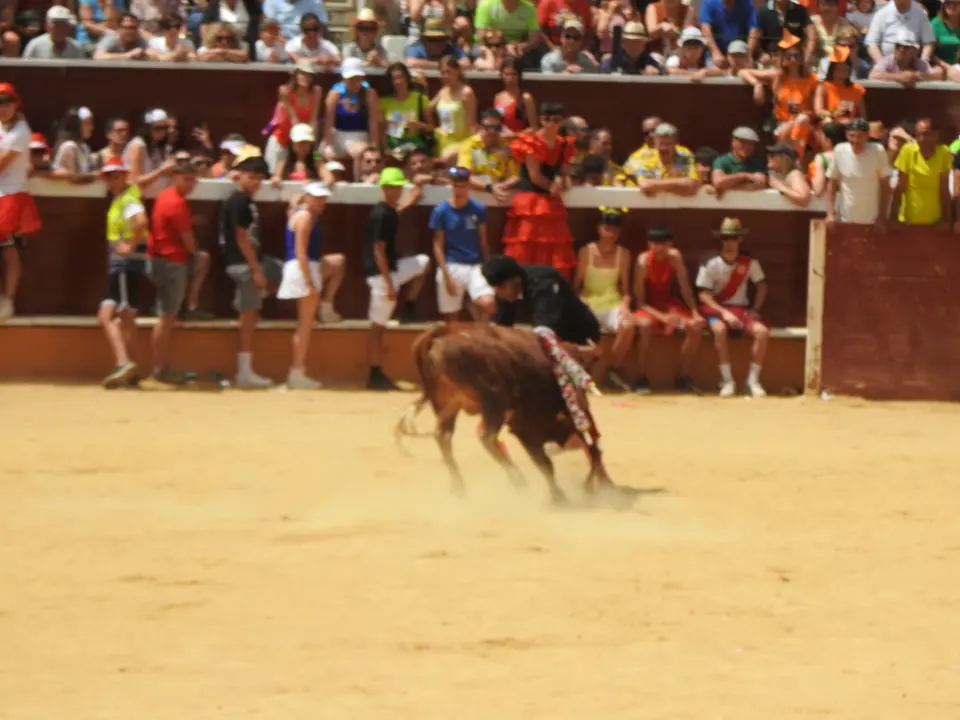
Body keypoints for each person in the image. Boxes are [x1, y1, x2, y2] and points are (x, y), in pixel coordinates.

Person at [220, 146, 284, 389]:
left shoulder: (243, 199)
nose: (257, 182)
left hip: (247, 261)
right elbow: (242, 237)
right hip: (244, 264)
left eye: (259, 178)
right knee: (249, 317)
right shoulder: (239, 201)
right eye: (252, 176)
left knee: (285, 276)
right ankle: (244, 372)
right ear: (241, 175)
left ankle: (257, 294)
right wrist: (256, 269)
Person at [364, 167, 430, 390]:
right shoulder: (381, 214)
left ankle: (409, 307)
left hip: (390, 270)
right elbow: (378, 250)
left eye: (400, 187)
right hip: (382, 275)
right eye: (394, 187)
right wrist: (389, 284)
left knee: (424, 263)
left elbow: (395, 213)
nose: (398, 191)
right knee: (377, 328)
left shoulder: (387, 211)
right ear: (385, 188)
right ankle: (374, 374)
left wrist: (411, 201)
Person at [276, 181, 346, 389]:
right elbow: (301, 252)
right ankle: (297, 371)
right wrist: (309, 280)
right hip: (303, 268)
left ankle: (327, 305)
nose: (320, 201)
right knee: (306, 324)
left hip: (305, 266)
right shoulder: (305, 217)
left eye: (322, 198)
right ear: (307, 197)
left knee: (338, 262)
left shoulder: (298, 213)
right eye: (316, 197)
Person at [501, 101, 577, 278]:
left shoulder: (564, 145)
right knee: (527, 246)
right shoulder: (532, 141)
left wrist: (562, 180)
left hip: (551, 202)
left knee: (552, 246)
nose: (550, 124)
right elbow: (534, 175)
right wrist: (552, 187)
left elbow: (563, 170)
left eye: (556, 120)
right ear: (541, 119)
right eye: (546, 119)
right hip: (531, 201)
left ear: (562, 121)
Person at [696, 217, 769, 398]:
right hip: (716, 309)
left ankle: (752, 381)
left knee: (762, 332)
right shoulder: (710, 262)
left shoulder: (749, 262)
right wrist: (724, 313)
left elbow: (762, 286)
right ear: (721, 239)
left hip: (740, 309)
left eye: (733, 238)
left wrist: (755, 309)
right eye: (726, 238)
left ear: (740, 239)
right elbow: (703, 294)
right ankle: (727, 380)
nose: (730, 242)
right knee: (719, 330)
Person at [633, 226, 704, 394]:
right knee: (645, 327)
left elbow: (685, 288)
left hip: (667, 303)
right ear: (649, 245)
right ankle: (641, 377)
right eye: (655, 244)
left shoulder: (675, 257)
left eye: (663, 244)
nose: (659, 248)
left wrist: (695, 312)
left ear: (670, 244)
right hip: (649, 306)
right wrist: (663, 317)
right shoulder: (643, 261)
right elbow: (640, 301)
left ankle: (683, 376)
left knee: (695, 327)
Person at [146, 159, 199, 384]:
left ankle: (160, 366)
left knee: (165, 315)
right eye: (186, 180)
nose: (190, 185)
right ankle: (158, 369)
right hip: (171, 262)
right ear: (175, 178)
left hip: (158, 259)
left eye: (193, 180)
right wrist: (195, 254)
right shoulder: (177, 203)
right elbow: (188, 241)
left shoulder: (165, 196)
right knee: (166, 318)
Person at [572, 209, 636, 391]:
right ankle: (583, 372)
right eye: (607, 229)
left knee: (628, 326)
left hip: (613, 304)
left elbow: (626, 290)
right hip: (589, 303)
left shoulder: (624, 254)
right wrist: (580, 300)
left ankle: (612, 370)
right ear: (599, 229)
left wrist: (625, 306)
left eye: (614, 230)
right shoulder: (586, 252)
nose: (610, 234)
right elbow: (575, 286)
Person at [98, 158, 148, 389]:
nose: (111, 181)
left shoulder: (128, 199)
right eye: (108, 177)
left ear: (125, 176)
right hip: (123, 266)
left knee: (109, 316)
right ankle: (131, 369)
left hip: (125, 266)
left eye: (116, 176)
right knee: (125, 319)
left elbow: (141, 221)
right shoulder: (123, 198)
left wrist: (129, 246)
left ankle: (124, 363)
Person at [483, 254, 601, 347]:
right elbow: (503, 327)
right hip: (550, 336)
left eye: (502, 287)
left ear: (515, 280)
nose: (499, 293)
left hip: (580, 337)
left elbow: (545, 330)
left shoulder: (543, 283)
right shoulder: (504, 291)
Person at [431, 167, 496, 323]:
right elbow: (438, 245)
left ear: (468, 186)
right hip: (452, 264)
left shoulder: (478, 209)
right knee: (451, 320)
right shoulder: (441, 211)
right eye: (456, 185)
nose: (459, 190)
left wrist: (489, 269)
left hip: (475, 265)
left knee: (489, 303)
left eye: (463, 186)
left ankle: (478, 322)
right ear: (451, 185)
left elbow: (483, 242)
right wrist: (446, 276)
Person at [0, 82, 41, 324]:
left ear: (16, 104)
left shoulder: (21, 131)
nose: (3, 108)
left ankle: (7, 300)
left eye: (7, 103)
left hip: (10, 195)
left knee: (9, 250)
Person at [826, 117, 891, 228]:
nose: (856, 140)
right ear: (846, 135)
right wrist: (830, 214)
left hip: (873, 220)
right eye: (852, 136)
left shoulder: (878, 151)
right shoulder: (839, 150)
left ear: (867, 136)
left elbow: (885, 186)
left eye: (860, 136)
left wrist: (881, 216)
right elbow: (832, 185)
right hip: (846, 219)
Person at [890, 117, 952, 229]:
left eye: (926, 134)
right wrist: (893, 217)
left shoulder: (944, 153)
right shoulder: (908, 151)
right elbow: (900, 187)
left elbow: (944, 188)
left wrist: (947, 218)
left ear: (935, 135)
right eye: (918, 135)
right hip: (908, 220)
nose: (922, 139)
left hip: (935, 221)